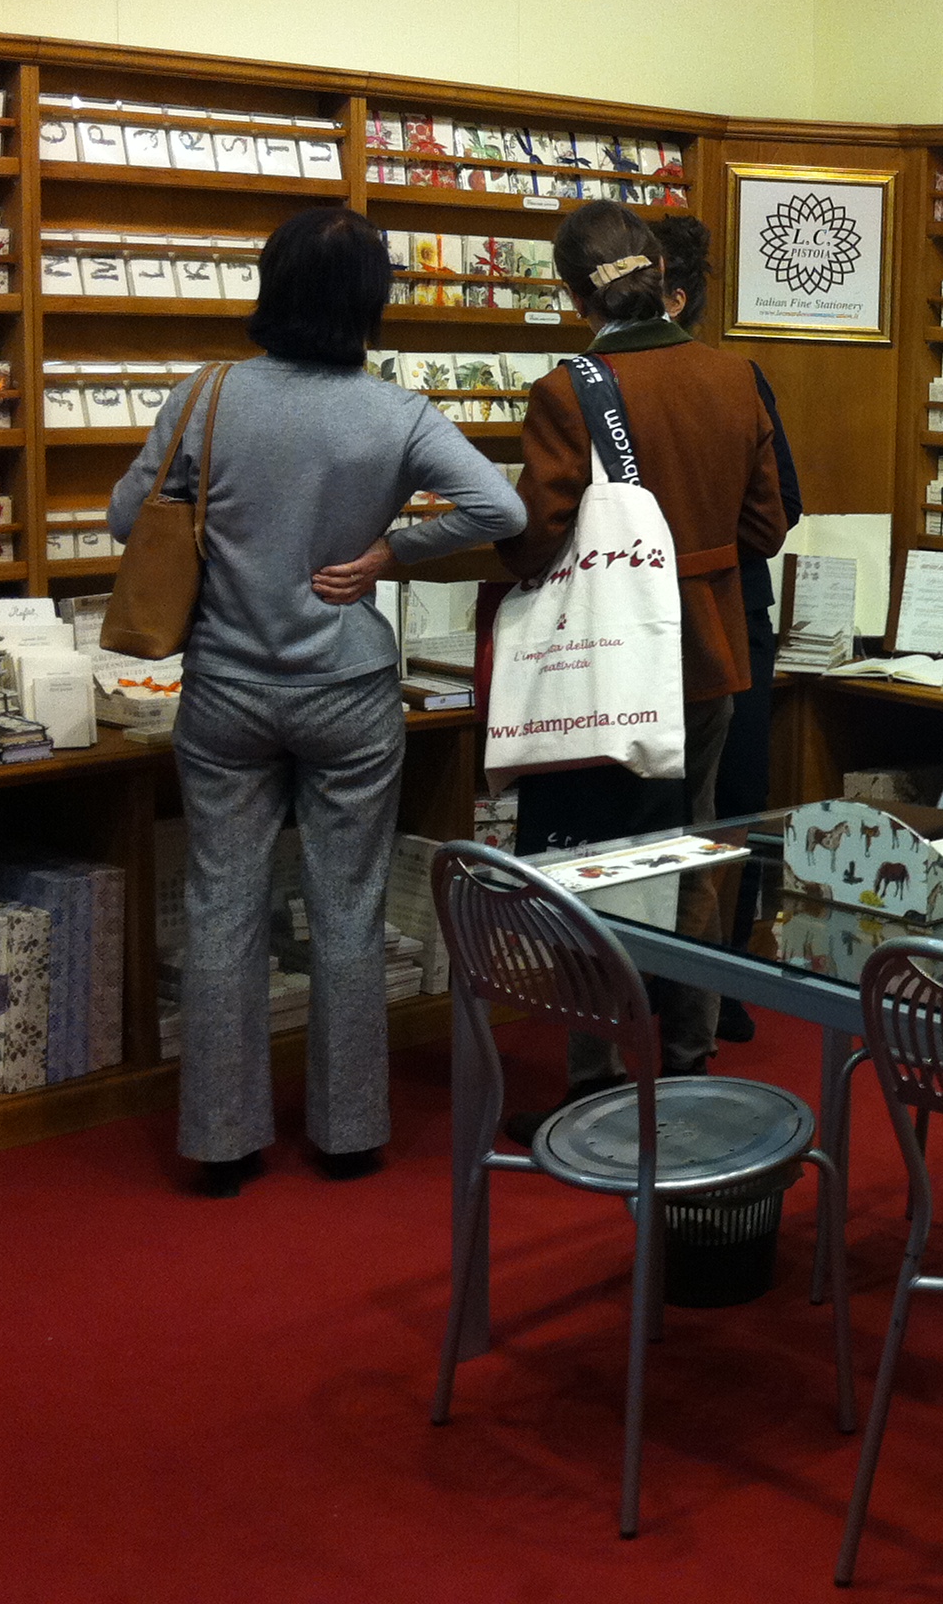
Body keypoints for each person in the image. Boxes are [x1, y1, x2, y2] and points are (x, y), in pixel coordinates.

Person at [110, 207, 525, 1198]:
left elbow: (129, 517)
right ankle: (349, 1131)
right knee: (348, 904)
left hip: (227, 684)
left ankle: (221, 1140)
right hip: (348, 686)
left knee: (222, 902)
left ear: (273, 286)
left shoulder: (206, 395)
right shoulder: (397, 413)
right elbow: (499, 508)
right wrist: (390, 552)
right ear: (370, 302)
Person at [498, 201, 788, 1102]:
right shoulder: (734, 376)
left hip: (605, 661)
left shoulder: (567, 391)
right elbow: (765, 528)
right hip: (706, 654)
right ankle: (690, 1051)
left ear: (573, 293)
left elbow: (537, 539)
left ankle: (597, 1072)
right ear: (664, 275)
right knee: (691, 845)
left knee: (594, 863)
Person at [652, 214, 802, 1045]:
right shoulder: (609, 381)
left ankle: (718, 983)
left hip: (717, 616)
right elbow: (777, 514)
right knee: (693, 807)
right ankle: (685, 987)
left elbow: (785, 503)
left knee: (722, 809)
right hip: (719, 610)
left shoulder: (733, 379)